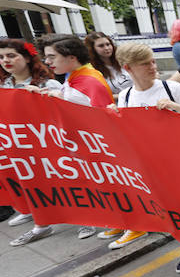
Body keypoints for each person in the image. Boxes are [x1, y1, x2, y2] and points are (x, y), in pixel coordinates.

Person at [9, 35, 113, 246]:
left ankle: (122, 223)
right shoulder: (74, 76)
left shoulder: (88, 80)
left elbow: (100, 119)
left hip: (91, 149)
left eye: (52, 57)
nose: (48, 62)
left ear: (71, 57)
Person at [105, 43, 180, 249]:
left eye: (153, 61)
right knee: (173, 214)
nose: (153, 67)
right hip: (151, 168)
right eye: (145, 64)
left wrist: (177, 109)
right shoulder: (127, 97)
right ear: (128, 68)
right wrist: (113, 119)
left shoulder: (172, 88)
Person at [0, 39, 62, 228]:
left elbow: (65, 111)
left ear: (26, 57)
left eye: (11, 55)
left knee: (60, 177)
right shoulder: (3, 86)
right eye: (1, 57)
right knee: (28, 177)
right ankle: (32, 211)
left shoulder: (48, 83)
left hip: (47, 141)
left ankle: (85, 219)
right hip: (19, 143)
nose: (5, 61)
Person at [85, 32, 132, 96]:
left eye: (108, 44)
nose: (107, 48)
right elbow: (100, 96)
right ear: (92, 49)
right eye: (101, 46)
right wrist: (123, 96)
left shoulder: (124, 60)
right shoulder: (92, 71)